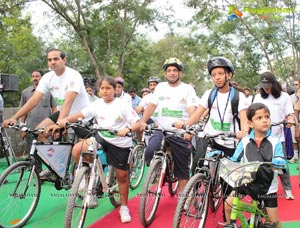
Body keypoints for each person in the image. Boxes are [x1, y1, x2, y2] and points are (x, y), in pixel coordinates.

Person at [54, 76, 140, 223]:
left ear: (115, 90)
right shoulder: (97, 104)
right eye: (102, 88)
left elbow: (137, 123)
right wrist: (66, 120)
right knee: (77, 149)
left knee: (122, 177)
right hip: (101, 137)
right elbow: (81, 114)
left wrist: (128, 128)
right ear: (99, 90)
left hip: (120, 142)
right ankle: (86, 178)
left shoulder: (123, 104)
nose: (105, 91)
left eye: (108, 88)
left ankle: (124, 207)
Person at [2, 48, 90, 179]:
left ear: (64, 60)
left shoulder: (73, 75)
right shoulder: (47, 78)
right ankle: (56, 167)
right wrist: (15, 117)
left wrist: (60, 124)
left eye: (56, 59)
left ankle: (87, 180)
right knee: (39, 132)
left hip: (81, 114)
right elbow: (33, 100)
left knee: (84, 151)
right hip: (63, 113)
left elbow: (68, 102)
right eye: (49, 60)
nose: (52, 62)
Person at [174, 57, 249, 171]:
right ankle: (198, 185)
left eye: (220, 73)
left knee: (228, 181)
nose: (217, 77)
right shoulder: (209, 94)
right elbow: (197, 115)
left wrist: (244, 131)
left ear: (229, 75)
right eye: (213, 75)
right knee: (196, 167)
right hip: (210, 138)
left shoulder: (239, 96)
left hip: (230, 141)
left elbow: (244, 119)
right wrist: (185, 124)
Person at [140, 57, 198, 194]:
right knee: (148, 152)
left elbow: (192, 111)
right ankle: (158, 168)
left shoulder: (188, 89)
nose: (172, 73)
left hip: (179, 133)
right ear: (165, 74)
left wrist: (188, 128)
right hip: (161, 130)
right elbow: (152, 106)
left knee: (181, 169)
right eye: (169, 71)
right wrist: (143, 121)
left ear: (180, 73)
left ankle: (185, 195)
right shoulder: (160, 87)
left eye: (175, 70)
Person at [225, 103, 285, 228]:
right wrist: (223, 158)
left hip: (267, 187)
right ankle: (231, 224)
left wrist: (279, 162)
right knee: (228, 204)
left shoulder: (275, 142)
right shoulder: (245, 141)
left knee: (274, 221)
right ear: (250, 124)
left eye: (267, 117)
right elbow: (235, 159)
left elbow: (281, 162)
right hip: (247, 182)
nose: (264, 120)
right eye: (259, 118)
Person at [253, 71, 295, 200]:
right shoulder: (258, 97)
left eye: (268, 85)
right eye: (263, 85)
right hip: (261, 137)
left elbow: (290, 113)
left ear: (274, 84)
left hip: (278, 137)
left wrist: (291, 119)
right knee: (260, 165)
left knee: (281, 165)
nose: (265, 88)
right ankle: (261, 189)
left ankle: (287, 189)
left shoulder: (284, 96)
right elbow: (252, 112)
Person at [19, 70, 57, 172]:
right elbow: (23, 111)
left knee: (48, 150)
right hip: (30, 128)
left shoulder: (49, 92)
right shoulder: (25, 92)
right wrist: (22, 127)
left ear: (42, 77)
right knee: (33, 152)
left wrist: (55, 126)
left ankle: (54, 172)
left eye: (37, 76)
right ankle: (37, 174)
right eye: (33, 76)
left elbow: (54, 108)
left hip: (46, 128)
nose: (35, 78)